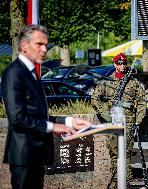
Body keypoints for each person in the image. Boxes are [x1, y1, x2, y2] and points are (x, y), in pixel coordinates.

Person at [1, 25, 91, 189]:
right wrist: (53, 126)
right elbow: (17, 118)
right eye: (39, 44)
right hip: (24, 156)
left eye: (45, 45)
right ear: (24, 46)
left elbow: (36, 116)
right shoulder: (14, 73)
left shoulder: (31, 73)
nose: (44, 49)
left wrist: (69, 121)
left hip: (35, 155)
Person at [91, 53, 146, 188]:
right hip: (114, 120)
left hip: (129, 121)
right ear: (114, 64)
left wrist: (138, 120)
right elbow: (95, 98)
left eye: (123, 63)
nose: (122, 66)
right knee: (114, 152)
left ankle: (126, 182)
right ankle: (116, 181)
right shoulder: (107, 82)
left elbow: (141, 103)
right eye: (119, 63)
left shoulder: (133, 82)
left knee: (126, 153)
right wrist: (105, 114)